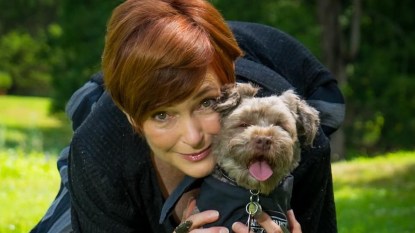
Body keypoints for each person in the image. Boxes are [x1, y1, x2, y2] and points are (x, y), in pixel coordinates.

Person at [30, 0, 345, 232]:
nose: (193, 137)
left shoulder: (297, 141)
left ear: (229, 88)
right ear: (133, 117)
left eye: (206, 103)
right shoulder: (99, 155)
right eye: (163, 115)